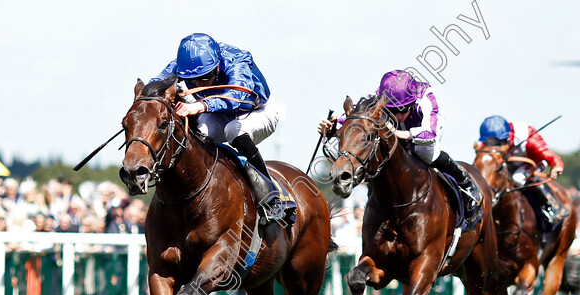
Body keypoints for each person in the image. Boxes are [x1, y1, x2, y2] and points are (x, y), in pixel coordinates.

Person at [151, 33, 286, 223]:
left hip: (258, 110)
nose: (199, 83)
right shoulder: (184, 63)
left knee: (233, 130)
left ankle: (269, 191)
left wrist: (200, 106)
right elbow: (154, 85)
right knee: (199, 133)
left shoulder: (238, 60)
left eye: (204, 77)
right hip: (218, 114)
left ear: (217, 65)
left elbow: (237, 94)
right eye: (193, 79)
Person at [319, 70, 482, 221]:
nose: (398, 115)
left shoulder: (426, 97)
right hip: (395, 129)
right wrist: (335, 125)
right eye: (393, 110)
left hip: (422, 130)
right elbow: (357, 117)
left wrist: (400, 134)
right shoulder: (378, 96)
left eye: (403, 109)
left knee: (426, 153)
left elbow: (431, 134)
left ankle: (465, 182)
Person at [475, 115, 566, 226]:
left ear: (508, 138)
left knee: (517, 179)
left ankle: (551, 206)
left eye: (498, 144)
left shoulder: (528, 138)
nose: (494, 147)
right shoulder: (487, 140)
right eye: (491, 144)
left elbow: (550, 156)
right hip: (505, 164)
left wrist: (557, 166)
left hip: (528, 163)